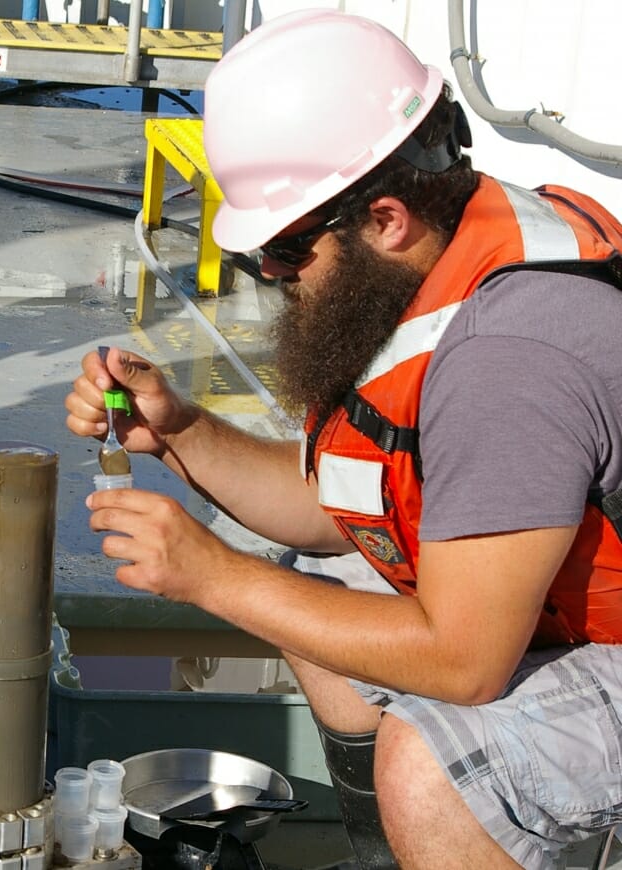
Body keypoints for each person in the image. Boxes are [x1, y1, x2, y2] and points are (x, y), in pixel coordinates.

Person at [64, 9, 622, 870]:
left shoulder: (507, 361)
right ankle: (389, 855)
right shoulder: (436, 267)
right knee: (319, 585)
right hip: (559, 596)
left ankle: (433, 830)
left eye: (286, 251)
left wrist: (215, 576)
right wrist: (180, 434)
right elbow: (345, 510)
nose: (276, 278)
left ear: (386, 218)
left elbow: (465, 661)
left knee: (431, 764)